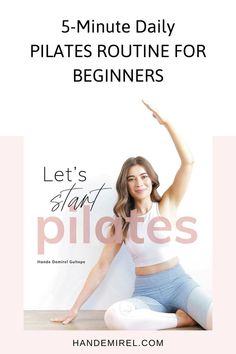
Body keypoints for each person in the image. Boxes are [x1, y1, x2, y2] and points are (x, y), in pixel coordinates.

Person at [51, 101, 212, 330]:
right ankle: (181, 319)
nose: (139, 183)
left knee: (221, 318)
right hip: (147, 294)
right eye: (131, 178)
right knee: (114, 317)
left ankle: (183, 315)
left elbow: (189, 162)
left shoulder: (166, 204)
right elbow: (101, 266)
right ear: (125, 185)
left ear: (152, 179)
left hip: (180, 285)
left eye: (143, 176)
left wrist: (167, 124)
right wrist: (75, 307)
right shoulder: (121, 223)